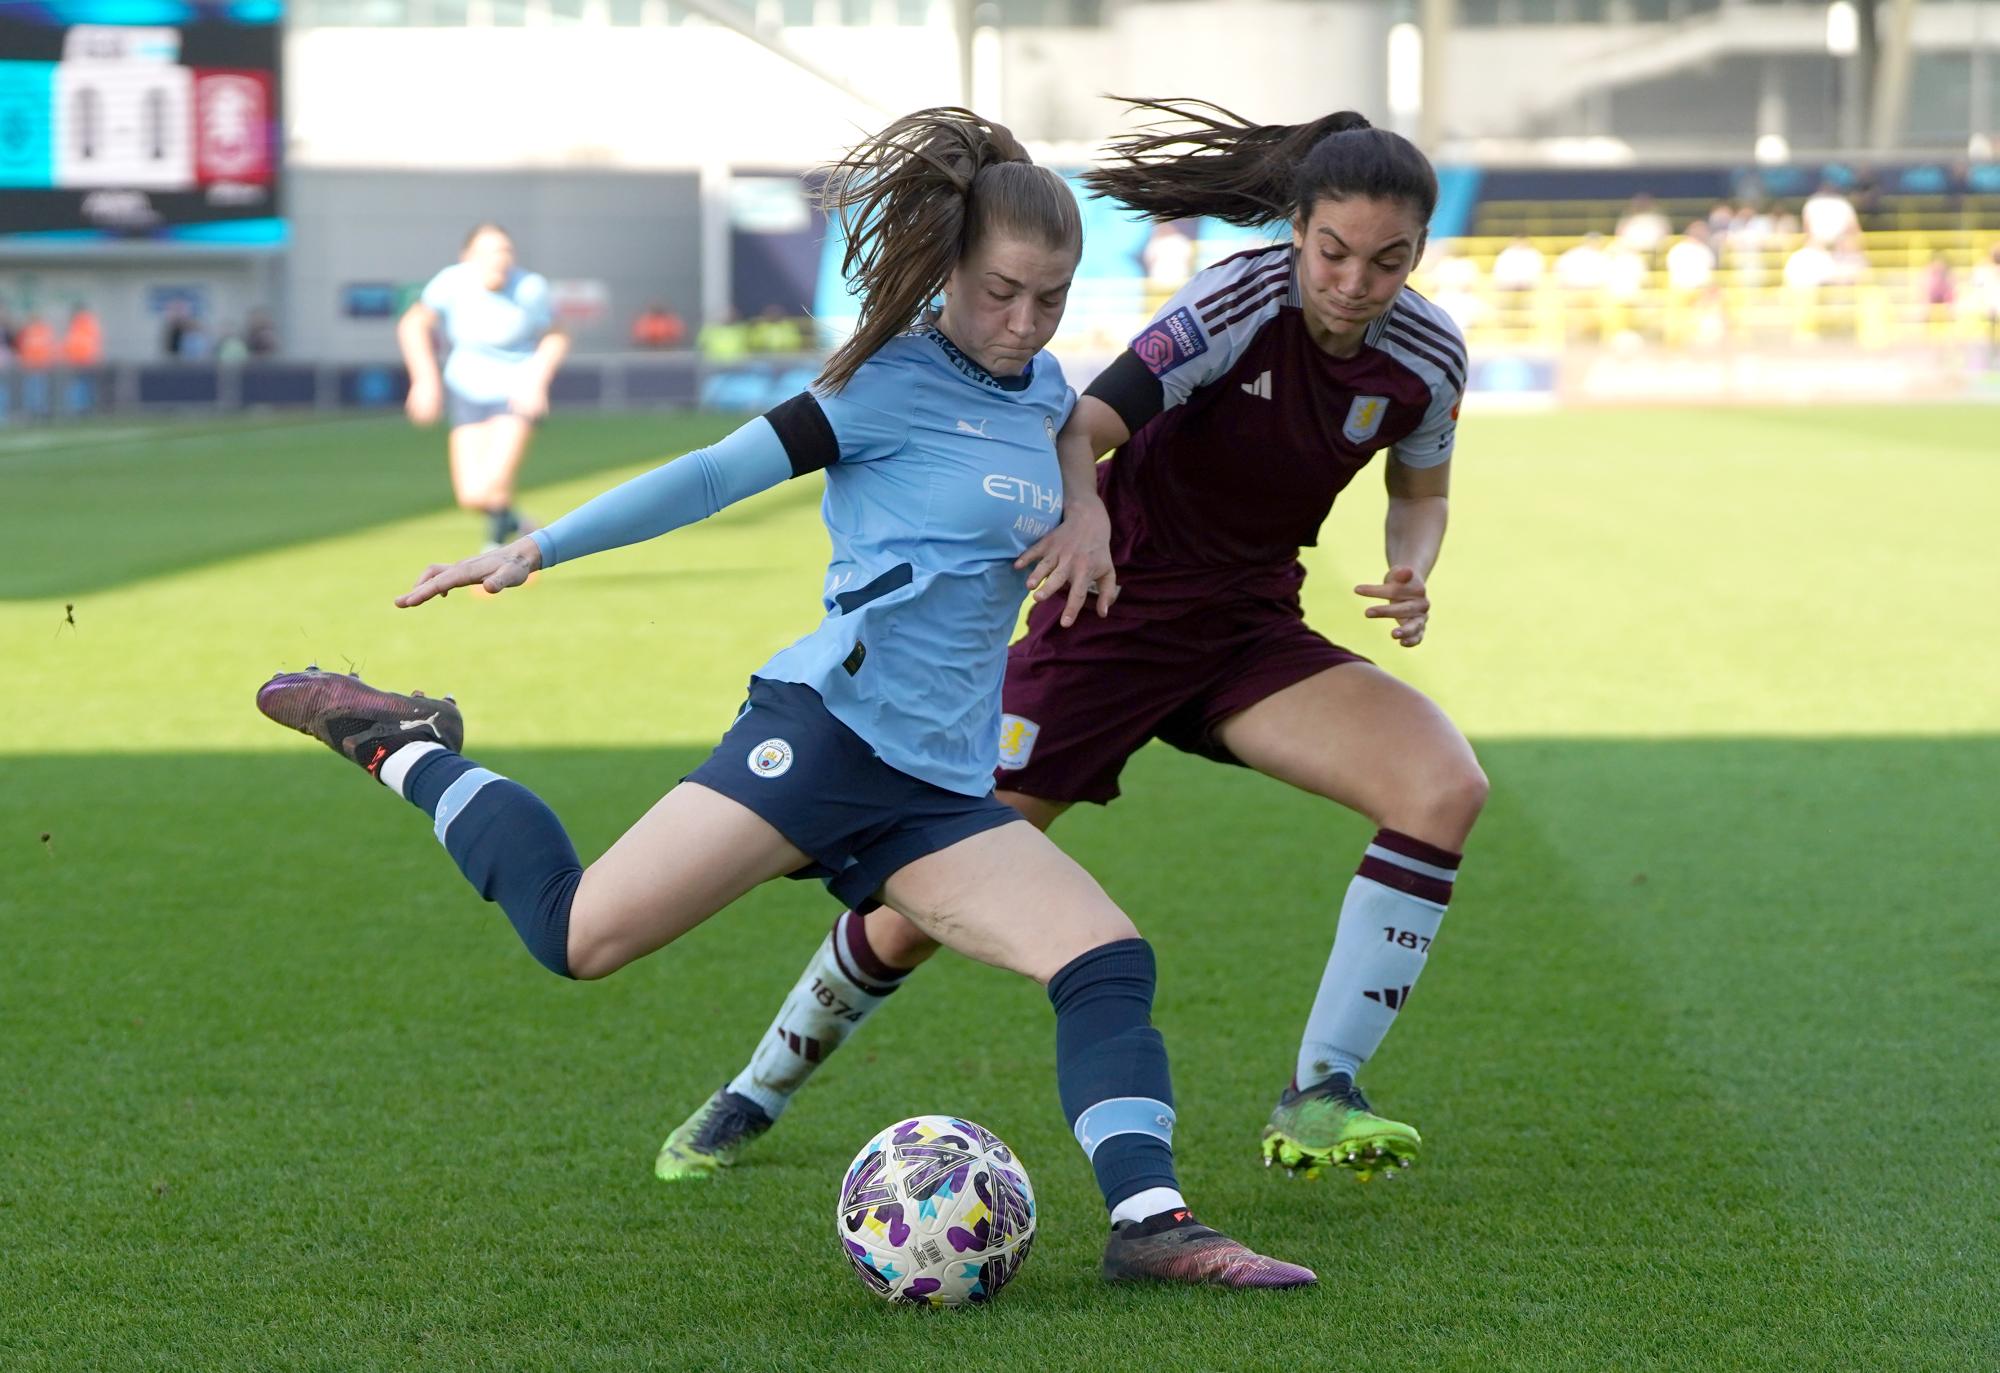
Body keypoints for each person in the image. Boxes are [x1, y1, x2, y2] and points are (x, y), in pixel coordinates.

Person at [256, 107, 1312, 1291]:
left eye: (1052, 299)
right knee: (576, 936)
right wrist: (534, 547)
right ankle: (408, 746)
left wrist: (1086, 501)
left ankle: (1149, 1223)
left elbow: (1066, 420)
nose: (1023, 324)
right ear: (949, 270)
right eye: (1002, 292)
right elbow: (713, 473)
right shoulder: (882, 385)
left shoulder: (1043, 386)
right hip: (825, 738)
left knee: (1106, 957)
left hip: (938, 786)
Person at [659, 97, 1484, 1192]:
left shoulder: (1427, 354)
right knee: (919, 906)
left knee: (1440, 784)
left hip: (1245, 632)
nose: (1353, 282)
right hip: (1105, 620)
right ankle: (754, 1087)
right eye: (1331, 252)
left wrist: (1411, 557)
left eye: (1387, 261)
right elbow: (1082, 421)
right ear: (1295, 232)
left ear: (1417, 253)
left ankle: (1320, 1089)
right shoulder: (1235, 303)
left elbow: (1418, 490)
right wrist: (1084, 512)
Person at [398, 224, 569, 551]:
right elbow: (413, 324)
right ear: (467, 258)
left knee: (495, 480)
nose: (499, 259)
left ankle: (496, 553)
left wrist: (537, 377)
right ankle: (521, 526)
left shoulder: (529, 288)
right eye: (489, 252)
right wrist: (424, 379)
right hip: (466, 390)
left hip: (515, 392)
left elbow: (557, 334)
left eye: (506, 251)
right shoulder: (451, 283)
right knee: (471, 495)